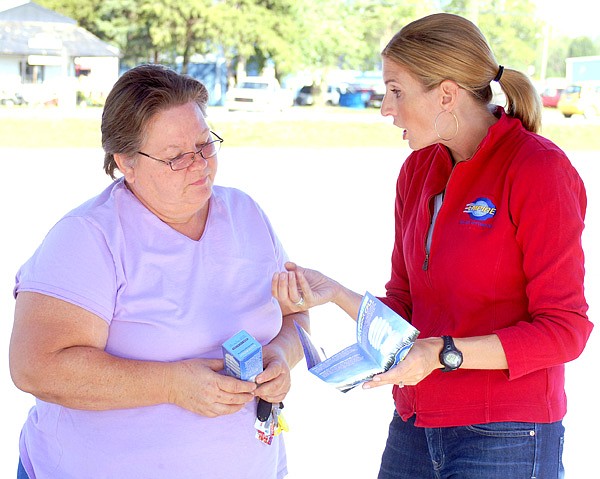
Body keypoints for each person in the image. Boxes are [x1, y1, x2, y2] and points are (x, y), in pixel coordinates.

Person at [273, 13, 593, 479]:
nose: (386, 108)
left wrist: (443, 354)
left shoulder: (538, 170)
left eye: (396, 91)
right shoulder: (418, 171)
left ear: (447, 94)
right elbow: (405, 306)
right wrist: (335, 294)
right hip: (415, 426)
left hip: (504, 433)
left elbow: (566, 330)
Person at [9, 63, 308, 479]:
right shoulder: (87, 237)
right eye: (175, 157)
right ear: (125, 162)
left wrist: (280, 356)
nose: (199, 164)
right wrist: (171, 385)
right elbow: (36, 366)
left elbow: (294, 315)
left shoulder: (246, 214)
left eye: (206, 145)